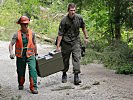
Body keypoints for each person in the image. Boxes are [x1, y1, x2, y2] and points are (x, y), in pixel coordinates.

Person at [56, 3, 88, 85]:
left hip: (76, 41)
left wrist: (86, 37)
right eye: (71, 10)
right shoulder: (64, 20)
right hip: (66, 42)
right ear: (68, 11)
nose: (72, 12)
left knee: (77, 57)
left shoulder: (79, 18)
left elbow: (83, 27)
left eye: (74, 10)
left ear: (75, 10)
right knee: (65, 59)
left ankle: (76, 76)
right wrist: (58, 46)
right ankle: (64, 73)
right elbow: (60, 34)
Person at [9, 16, 38, 94]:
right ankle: (21, 84)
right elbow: (11, 44)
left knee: (33, 70)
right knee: (20, 71)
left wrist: (36, 53)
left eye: (27, 24)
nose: (25, 26)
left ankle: (34, 87)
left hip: (30, 54)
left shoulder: (32, 33)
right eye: (24, 24)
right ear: (20, 24)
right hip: (21, 56)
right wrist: (11, 53)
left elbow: (34, 44)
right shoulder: (16, 34)